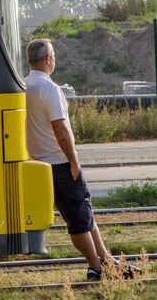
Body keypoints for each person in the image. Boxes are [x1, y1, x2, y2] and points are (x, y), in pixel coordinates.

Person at [24, 38, 134, 281]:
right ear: (48, 59)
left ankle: (106, 259)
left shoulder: (23, 86)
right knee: (78, 219)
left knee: (84, 213)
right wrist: (73, 161)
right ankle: (96, 267)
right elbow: (61, 130)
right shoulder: (50, 89)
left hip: (37, 164)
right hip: (60, 163)